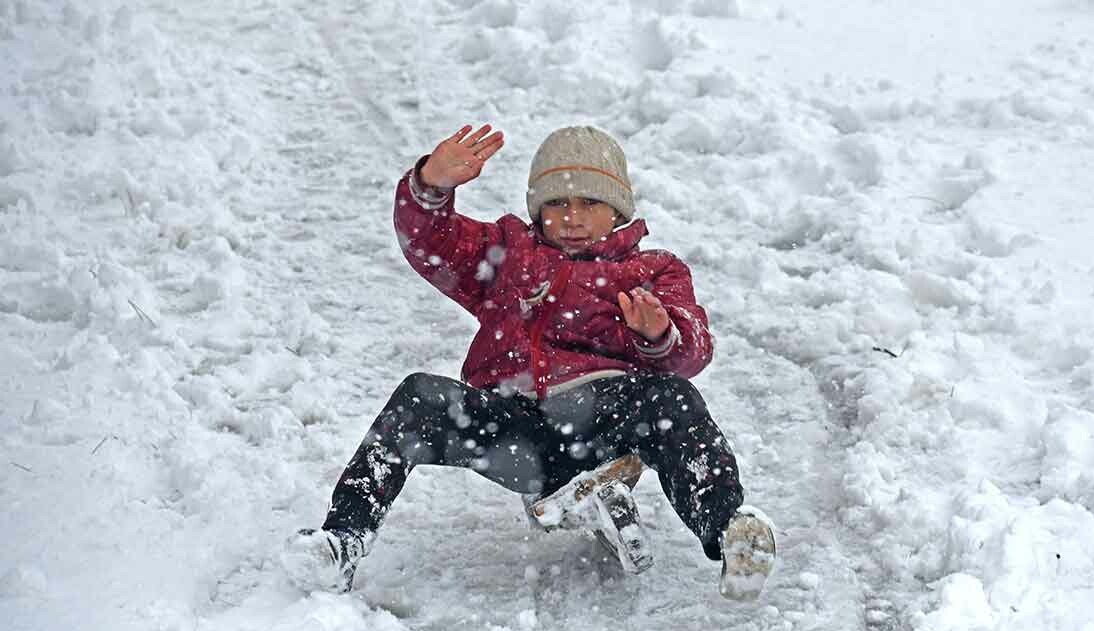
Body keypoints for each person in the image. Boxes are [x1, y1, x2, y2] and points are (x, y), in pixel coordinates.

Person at [281, 124, 776, 600]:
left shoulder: (651, 270)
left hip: (607, 418)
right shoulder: (509, 253)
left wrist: (659, 334)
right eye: (557, 203)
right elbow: (431, 242)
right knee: (418, 396)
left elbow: (692, 349)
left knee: (672, 398)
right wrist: (429, 186)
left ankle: (730, 529)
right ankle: (341, 541)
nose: (572, 216)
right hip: (514, 429)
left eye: (590, 202)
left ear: (618, 210)